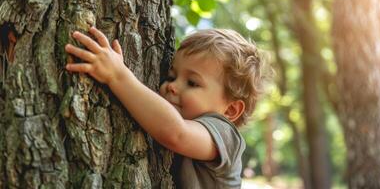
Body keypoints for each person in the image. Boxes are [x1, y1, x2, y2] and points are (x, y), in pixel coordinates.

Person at [65, 27, 265, 188]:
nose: (172, 86)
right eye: (171, 77)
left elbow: (175, 133)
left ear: (230, 111)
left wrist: (117, 76)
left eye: (192, 83)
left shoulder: (225, 135)